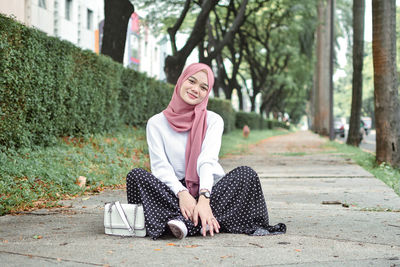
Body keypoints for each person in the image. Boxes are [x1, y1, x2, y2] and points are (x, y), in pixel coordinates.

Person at [126, 63, 286, 240]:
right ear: (181, 81)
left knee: (247, 175)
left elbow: (206, 161)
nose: (195, 89)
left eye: (204, 87)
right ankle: (205, 221)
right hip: (175, 191)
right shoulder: (156, 123)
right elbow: (160, 167)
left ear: (207, 93)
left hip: (211, 188)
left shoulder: (213, 120)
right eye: (192, 81)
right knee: (136, 177)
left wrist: (204, 198)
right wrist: (183, 194)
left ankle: (184, 222)